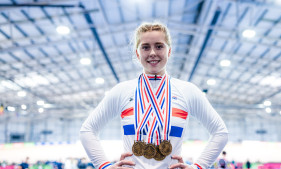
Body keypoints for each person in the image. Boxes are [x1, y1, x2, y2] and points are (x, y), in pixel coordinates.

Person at [80, 21, 228, 169]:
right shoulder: (121, 91)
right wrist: (104, 166)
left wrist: (198, 166)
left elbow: (220, 132)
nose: (152, 53)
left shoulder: (188, 91)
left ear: (169, 51)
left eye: (159, 46)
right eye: (145, 47)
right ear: (138, 53)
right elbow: (87, 130)